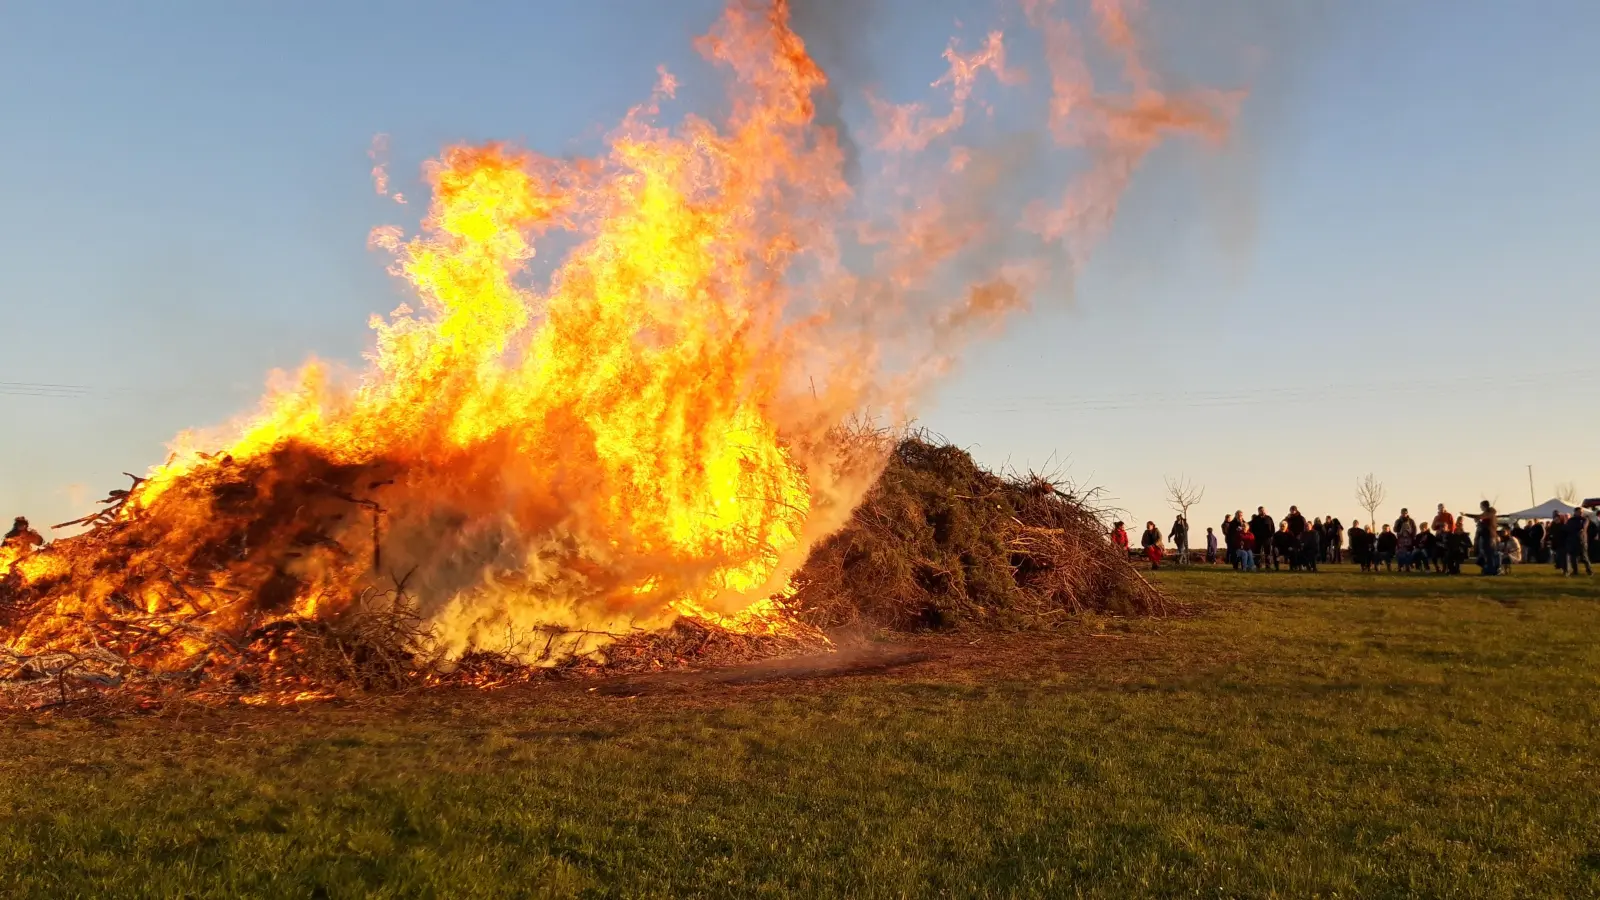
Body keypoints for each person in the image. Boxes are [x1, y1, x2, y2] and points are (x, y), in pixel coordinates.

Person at [1567, 506, 1595, 576]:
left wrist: (1580, 529)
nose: (1581, 513)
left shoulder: (1585, 519)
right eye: (1579, 512)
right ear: (1575, 512)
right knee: (1573, 557)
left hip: (1582, 540)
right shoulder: (1571, 520)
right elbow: (1568, 528)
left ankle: (1589, 571)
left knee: (1584, 556)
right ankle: (1575, 571)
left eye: (1582, 512)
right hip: (1573, 541)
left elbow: (1583, 527)